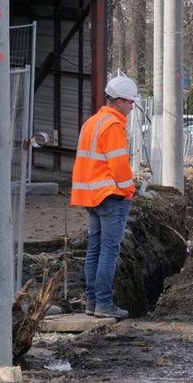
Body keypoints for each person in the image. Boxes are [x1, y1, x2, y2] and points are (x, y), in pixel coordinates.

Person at [71, 74, 140, 319]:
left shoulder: (92, 122)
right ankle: (103, 303)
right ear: (118, 101)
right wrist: (129, 190)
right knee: (109, 251)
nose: (132, 106)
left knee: (95, 249)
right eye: (129, 102)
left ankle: (92, 302)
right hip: (110, 195)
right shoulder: (113, 125)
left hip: (91, 196)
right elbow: (119, 164)